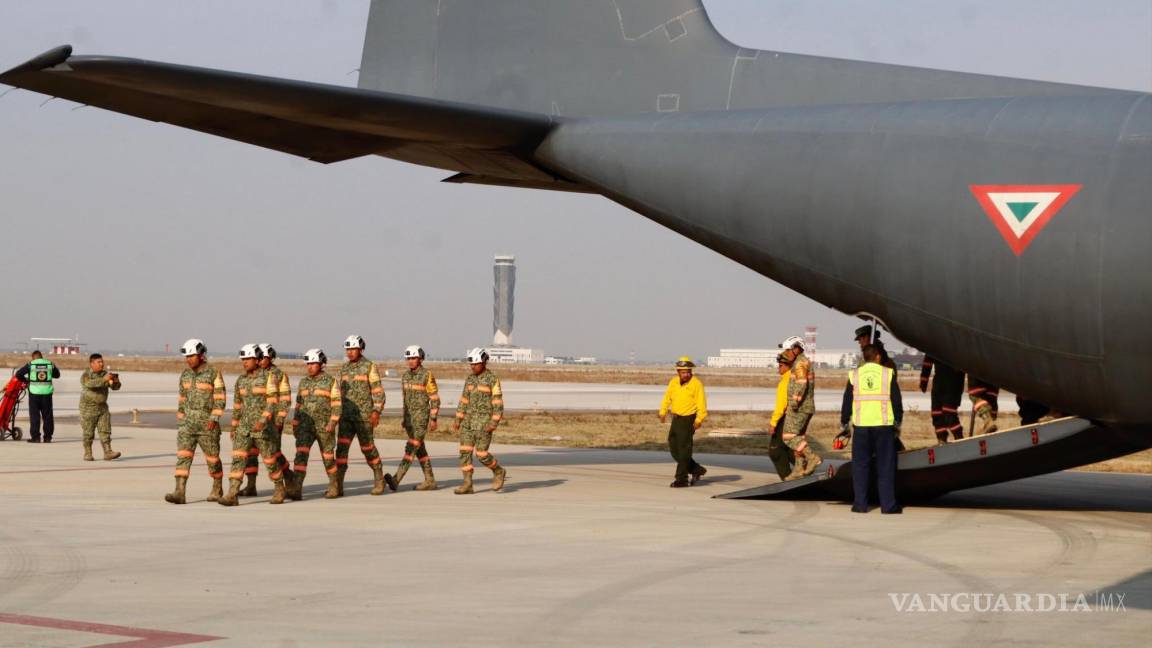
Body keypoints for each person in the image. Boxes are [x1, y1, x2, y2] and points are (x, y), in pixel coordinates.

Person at [219, 344, 294, 506]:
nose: (244, 362)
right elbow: (238, 406)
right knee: (238, 459)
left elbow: (273, 402)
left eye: (248, 359)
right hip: (244, 428)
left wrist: (264, 420)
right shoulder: (241, 380)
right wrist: (234, 426)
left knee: (270, 460)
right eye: (243, 359)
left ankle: (280, 488)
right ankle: (232, 493)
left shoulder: (269, 378)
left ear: (257, 360)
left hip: (264, 428)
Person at [841, 344, 903, 514]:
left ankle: (860, 505)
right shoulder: (887, 374)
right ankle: (888, 506)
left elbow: (847, 401)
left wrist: (844, 422)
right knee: (885, 466)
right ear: (877, 356)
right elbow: (896, 401)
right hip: (883, 426)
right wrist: (898, 422)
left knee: (860, 466)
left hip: (861, 427)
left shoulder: (854, 375)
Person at [167, 339, 226, 505]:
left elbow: (220, 399)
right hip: (187, 425)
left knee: (212, 459)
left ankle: (217, 487)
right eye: (187, 356)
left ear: (201, 355)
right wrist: (181, 418)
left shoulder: (213, 373)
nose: (189, 359)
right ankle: (179, 491)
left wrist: (214, 418)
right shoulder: (185, 374)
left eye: (192, 356)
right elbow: (182, 398)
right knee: (183, 457)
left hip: (207, 425)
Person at [337, 335, 389, 497]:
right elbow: (339, 393)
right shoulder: (344, 368)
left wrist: (376, 411)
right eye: (348, 349)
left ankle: (379, 478)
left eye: (353, 349)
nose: (350, 352)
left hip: (364, 417)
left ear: (361, 349)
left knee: (367, 448)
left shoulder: (369, 367)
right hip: (346, 417)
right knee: (341, 451)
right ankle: (337, 485)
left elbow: (378, 391)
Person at [237, 343, 291, 498]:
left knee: (273, 453)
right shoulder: (251, 376)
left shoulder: (278, 375)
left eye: (265, 357)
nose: (262, 361)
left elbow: (285, 399)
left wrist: (279, 419)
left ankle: (288, 477)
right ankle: (251, 485)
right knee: (251, 454)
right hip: (252, 423)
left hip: (271, 422)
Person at [453, 348, 508, 494]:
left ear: (484, 362)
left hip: (484, 424)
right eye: (471, 364)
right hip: (468, 423)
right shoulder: (470, 379)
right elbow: (464, 400)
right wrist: (458, 418)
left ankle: (498, 471)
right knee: (464, 453)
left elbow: (498, 403)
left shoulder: (492, 379)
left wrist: (494, 422)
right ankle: (467, 484)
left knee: (482, 455)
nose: (473, 367)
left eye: (476, 364)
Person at [290, 349, 342, 500]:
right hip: (305, 427)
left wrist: (333, 421)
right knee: (300, 457)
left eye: (313, 363)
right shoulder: (303, 382)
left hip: (324, 427)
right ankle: (297, 488)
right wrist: (295, 422)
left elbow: (337, 404)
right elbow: (299, 404)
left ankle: (333, 486)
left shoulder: (330, 382)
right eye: (308, 364)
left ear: (321, 364)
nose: (310, 367)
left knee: (328, 457)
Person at [389, 345, 441, 491]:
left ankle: (396, 479)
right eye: (409, 358)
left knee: (411, 448)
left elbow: (435, 399)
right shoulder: (405, 376)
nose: (411, 361)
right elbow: (405, 400)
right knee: (420, 450)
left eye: (414, 358)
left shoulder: (426, 375)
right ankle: (430, 480)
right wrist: (404, 418)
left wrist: (434, 418)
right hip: (410, 421)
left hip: (421, 420)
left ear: (420, 359)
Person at [658, 357, 709, 487]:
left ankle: (681, 479)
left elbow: (701, 404)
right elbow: (667, 397)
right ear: (678, 372)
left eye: (688, 371)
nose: (686, 374)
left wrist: (699, 419)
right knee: (674, 447)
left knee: (684, 450)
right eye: (683, 372)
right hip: (676, 418)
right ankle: (697, 469)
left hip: (688, 419)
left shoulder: (696, 384)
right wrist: (663, 412)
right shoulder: (673, 382)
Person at [779, 336, 821, 480]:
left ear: (796, 349)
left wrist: (795, 402)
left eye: (788, 350)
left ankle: (812, 457)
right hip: (806, 406)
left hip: (800, 407)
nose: (786, 353)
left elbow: (801, 383)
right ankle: (798, 468)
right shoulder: (801, 362)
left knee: (788, 436)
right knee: (799, 438)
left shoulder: (800, 363)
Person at [79, 353, 122, 461]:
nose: (101, 364)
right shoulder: (86, 375)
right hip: (88, 408)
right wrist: (104, 380)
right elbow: (89, 384)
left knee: (105, 430)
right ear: (92, 363)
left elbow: (115, 388)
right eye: (99, 362)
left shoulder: (105, 374)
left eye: (102, 362)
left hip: (102, 407)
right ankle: (88, 453)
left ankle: (108, 452)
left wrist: (116, 382)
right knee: (88, 432)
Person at [16, 350, 60, 443]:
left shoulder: (31, 364)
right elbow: (57, 375)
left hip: (34, 394)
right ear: (41, 357)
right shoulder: (50, 364)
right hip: (47, 394)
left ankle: (35, 437)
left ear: (33, 357)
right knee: (47, 416)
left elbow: (18, 374)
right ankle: (48, 437)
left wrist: (26, 381)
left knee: (35, 416)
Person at [919, 356, 966, 444]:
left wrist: (924, 380)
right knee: (937, 414)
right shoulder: (936, 344)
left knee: (949, 414)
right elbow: (928, 360)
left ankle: (959, 439)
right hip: (939, 384)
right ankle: (941, 440)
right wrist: (924, 380)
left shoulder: (959, 345)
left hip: (953, 384)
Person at [767, 353, 795, 480]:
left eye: (781, 365)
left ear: (788, 366)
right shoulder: (794, 379)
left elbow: (781, 405)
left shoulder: (785, 381)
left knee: (775, 451)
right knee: (788, 447)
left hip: (785, 418)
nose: (778, 368)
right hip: (794, 418)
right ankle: (803, 467)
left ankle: (788, 477)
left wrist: (773, 423)